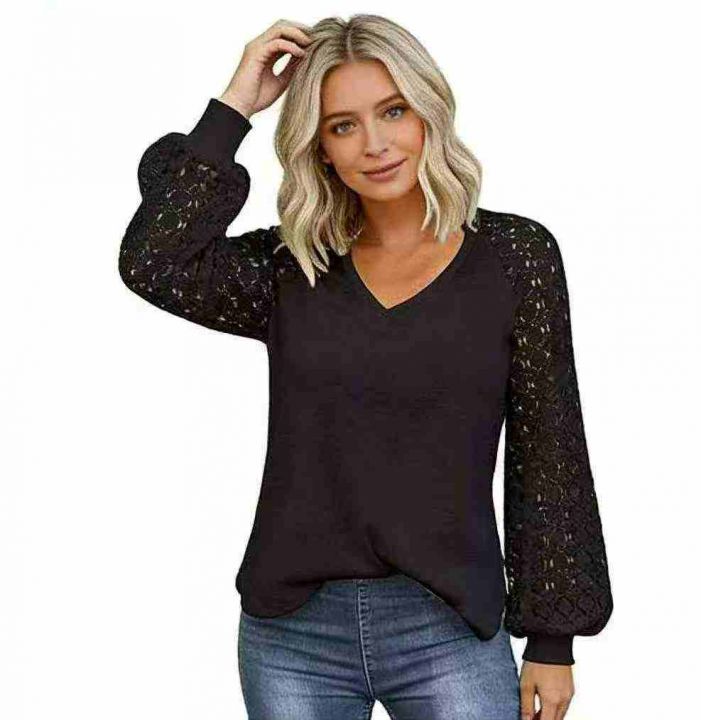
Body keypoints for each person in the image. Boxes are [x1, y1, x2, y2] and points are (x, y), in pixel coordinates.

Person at [118, 14, 613, 720]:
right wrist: (235, 105)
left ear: (428, 112)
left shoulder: (515, 258)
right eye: (342, 125)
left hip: (448, 626)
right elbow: (155, 261)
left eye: (393, 111)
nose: (374, 144)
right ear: (319, 148)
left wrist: (552, 640)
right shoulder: (292, 268)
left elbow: (550, 447)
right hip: (292, 634)